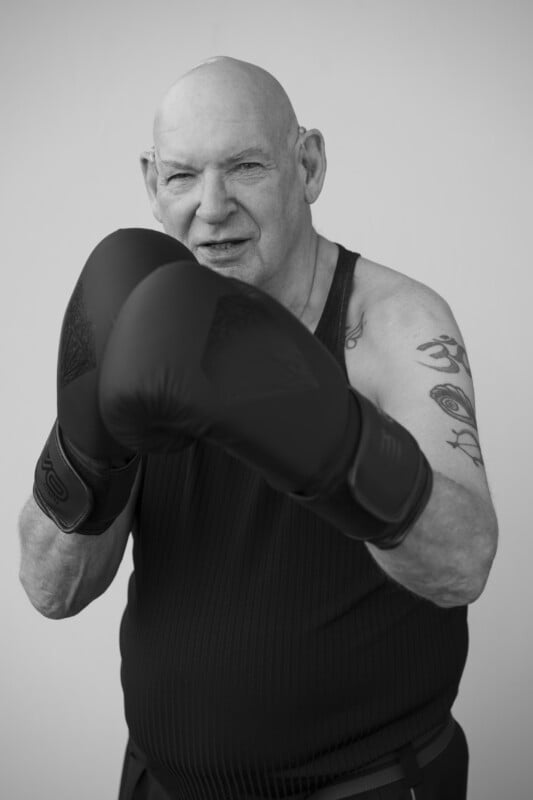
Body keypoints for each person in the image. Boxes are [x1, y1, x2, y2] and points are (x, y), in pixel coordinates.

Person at [19, 57, 498, 800]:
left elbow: (463, 563)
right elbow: (52, 588)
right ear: (150, 181)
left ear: (307, 166)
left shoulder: (392, 325)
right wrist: (90, 449)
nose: (211, 208)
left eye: (244, 167)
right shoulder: (140, 321)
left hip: (365, 789)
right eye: (182, 176)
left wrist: (332, 440)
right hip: (157, 783)